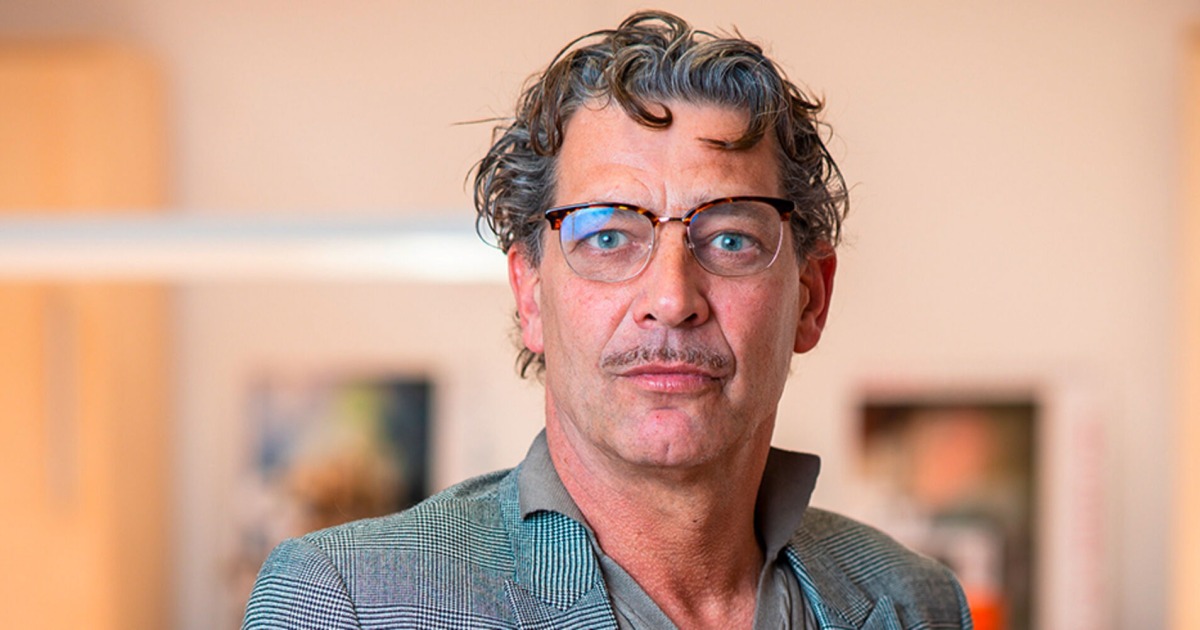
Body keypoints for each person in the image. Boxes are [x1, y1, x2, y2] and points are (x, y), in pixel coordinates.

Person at [243, 10, 973, 629]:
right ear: (532, 295)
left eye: (730, 239)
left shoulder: (918, 602)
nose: (672, 298)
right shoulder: (350, 601)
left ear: (811, 297)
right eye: (609, 237)